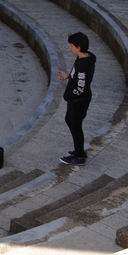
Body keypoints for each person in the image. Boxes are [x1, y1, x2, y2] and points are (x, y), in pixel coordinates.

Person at [57, 32, 95, 166]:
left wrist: (69, 96)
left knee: (75, 126)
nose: (70, 48)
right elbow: (78, 77)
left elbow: (80, 87)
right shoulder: (84, 57)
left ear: (78, 47)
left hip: (78, 101)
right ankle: (79, 150)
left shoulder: (82, 64)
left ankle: (79, 156)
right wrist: (67, 76)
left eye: (71, 46)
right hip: (77, 99)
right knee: (70, 121)